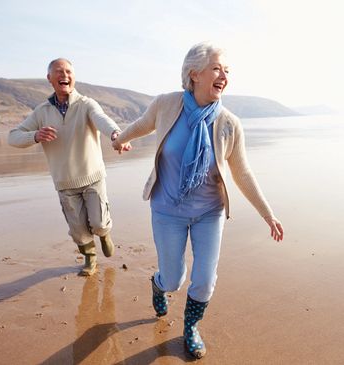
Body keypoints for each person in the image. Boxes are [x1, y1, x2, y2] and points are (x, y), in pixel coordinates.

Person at [112, 42, 284, 359]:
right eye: (217, 68)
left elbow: (242, 172)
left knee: (204, 281)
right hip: (167, 210)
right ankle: (157, 284)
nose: (224, 76)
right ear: (194, 74)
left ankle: (191, 328)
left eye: (227, 71)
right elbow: (141, 125)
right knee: (173, 278)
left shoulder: (229, 123)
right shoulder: (166, 105)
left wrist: (268, 215)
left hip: (209, 212)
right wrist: (119, 139)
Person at [8, 58, 130, 276]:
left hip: (92, 176)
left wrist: (116, 134)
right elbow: (13, 137)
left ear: (74, 76)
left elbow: (102, 119)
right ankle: (90, 259)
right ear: (50, 79)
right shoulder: (42, 111)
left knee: (99, 222)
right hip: (64, 181)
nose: (64, 75)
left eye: (68, 71)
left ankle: (104, 234)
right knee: (79, 230)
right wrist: (35, 135)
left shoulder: (86, 104)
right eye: (58, 71)